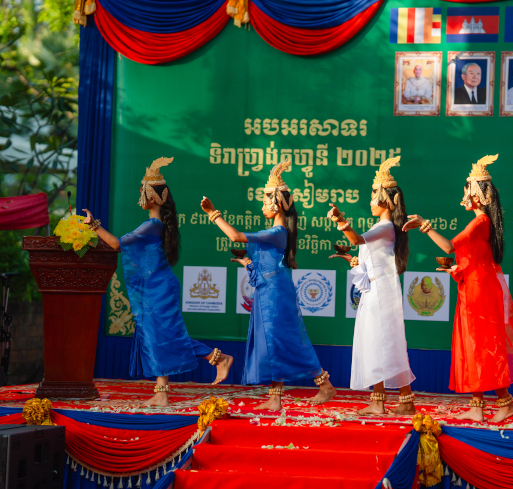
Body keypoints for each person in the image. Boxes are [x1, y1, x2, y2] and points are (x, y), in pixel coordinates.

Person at [83, 157, 233, 407]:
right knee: (156, 338)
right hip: (155, 288)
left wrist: (94, 225)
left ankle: (218, 358)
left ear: (152, 196)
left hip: (159, 289)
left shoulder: (152, 225)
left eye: (143, 192)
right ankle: (162, 392)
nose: (140, 197)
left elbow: (116, 244)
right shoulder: (154, 224)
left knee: (166, 337)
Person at [403, 155, 513, 423]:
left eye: (467, 190)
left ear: (477, 195)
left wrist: (424, 225)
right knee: (473, 345)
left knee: (483, 345)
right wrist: (457, 270)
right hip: (474, 285)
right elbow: (473, 259)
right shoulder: (482, 223)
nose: (464, 195)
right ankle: (477, 404)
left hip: (480, 290)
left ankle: (504, 402)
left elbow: (449, 247)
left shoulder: (480, 222)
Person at [200, 160, 336, 411]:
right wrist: (247, 262)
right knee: (273, 342)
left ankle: (324, 383)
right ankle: (275, 397)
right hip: (267, 291)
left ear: (276, 204)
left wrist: (213, 214)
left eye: (265, 201)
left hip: (275, 293)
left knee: (286, 339)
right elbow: (265, 263)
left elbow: (236, 236)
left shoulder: (278, 231)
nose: (263, 205)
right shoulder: (273, 232)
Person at [328, 156, 416, 416]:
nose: (370, 201)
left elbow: (356, 239)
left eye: (372, 196)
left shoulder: (387, 226)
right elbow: (365, 255)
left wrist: (339, 221)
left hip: (381, 293)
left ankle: (380, 402)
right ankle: (404, 400)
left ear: (385, 200)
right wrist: (352, 260)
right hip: (376, 291)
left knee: (381, 342)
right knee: (382, 342)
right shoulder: (381, 227)